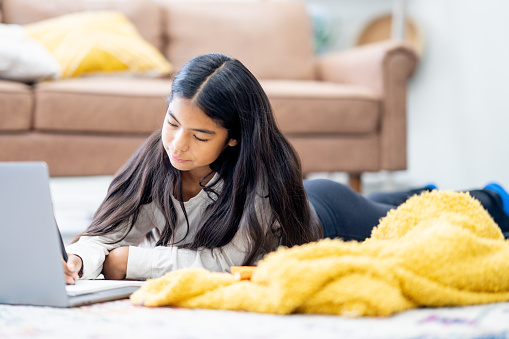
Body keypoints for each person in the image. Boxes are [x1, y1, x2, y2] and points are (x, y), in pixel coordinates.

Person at [63, 53, 509, 285]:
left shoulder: (255, 184)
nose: (178, 145)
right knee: (405, 202)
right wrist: (81, 259)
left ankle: (490, 197)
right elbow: (108, 232)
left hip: (327, 217)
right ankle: (413, 192)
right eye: (172, 123)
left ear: (233, 137)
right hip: (315, 198)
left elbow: (221, 265)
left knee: (429, 216)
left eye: (200, 137)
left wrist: (131, 263)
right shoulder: (154, 163)